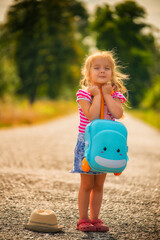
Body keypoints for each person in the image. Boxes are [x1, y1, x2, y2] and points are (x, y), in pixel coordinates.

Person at [70, 50, 128, 232]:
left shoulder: (115, 94)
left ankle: (95, 219)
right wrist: (97, 95)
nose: (102, 71)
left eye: (107, 68)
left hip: (106, 146)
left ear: (112, 72)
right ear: (88, 73)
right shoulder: (84, 94)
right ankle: (83, 219)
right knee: (87, 184)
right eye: (97, 68)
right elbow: (92, 116)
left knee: (99, 184)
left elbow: (118, 114)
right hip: (88, 144)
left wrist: (108, 95)